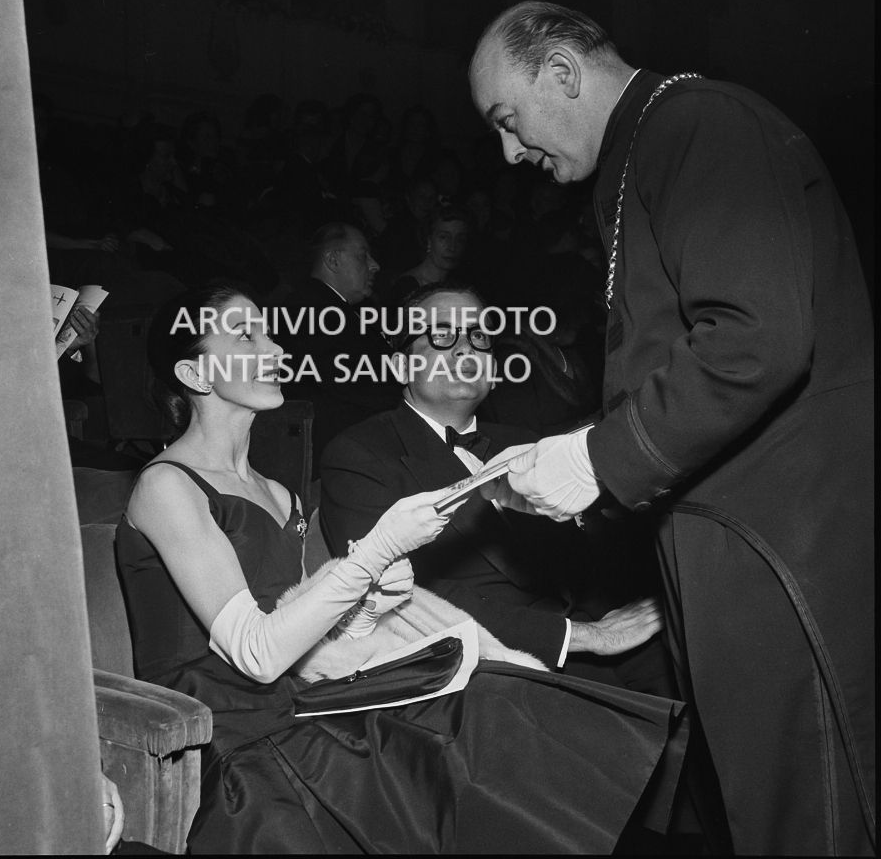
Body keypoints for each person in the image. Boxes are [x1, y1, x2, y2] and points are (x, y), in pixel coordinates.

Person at [469, 0, 875, 855]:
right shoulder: (645, 152)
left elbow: (756, 335)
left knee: (806, 815)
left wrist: (597, 457)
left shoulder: (696, 124)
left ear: (563, 74)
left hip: (776, 538)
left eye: (509, 121)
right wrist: (576, 460)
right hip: (724, 531)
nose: (511, 153)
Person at [115, 283, 689, 854]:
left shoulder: (278, 493)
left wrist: (370, 604)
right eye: (246, 335)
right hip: (226, 725)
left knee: (492, 705)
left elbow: (310, 636)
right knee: (469, 729)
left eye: (268, 330)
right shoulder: (167, 484)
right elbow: (256, 652)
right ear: (195, 377)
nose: (275, 349)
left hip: (303, 697)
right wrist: (374, 553)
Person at [320, 283, 674, 693]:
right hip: (490, 666)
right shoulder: (357, 454)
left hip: (607, 632)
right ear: (401, 368)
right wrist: (583, 637)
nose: (464, 349)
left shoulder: (523, 439)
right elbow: (400, 599)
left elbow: (586, 556)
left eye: (478, 337)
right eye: (442, 335)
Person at [275, 223, 401, 474]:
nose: (374, 265)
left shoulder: (334, 310)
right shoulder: (314, 311)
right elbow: (357, 385)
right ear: (333, 260)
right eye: (362, 255)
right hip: (342, 461)